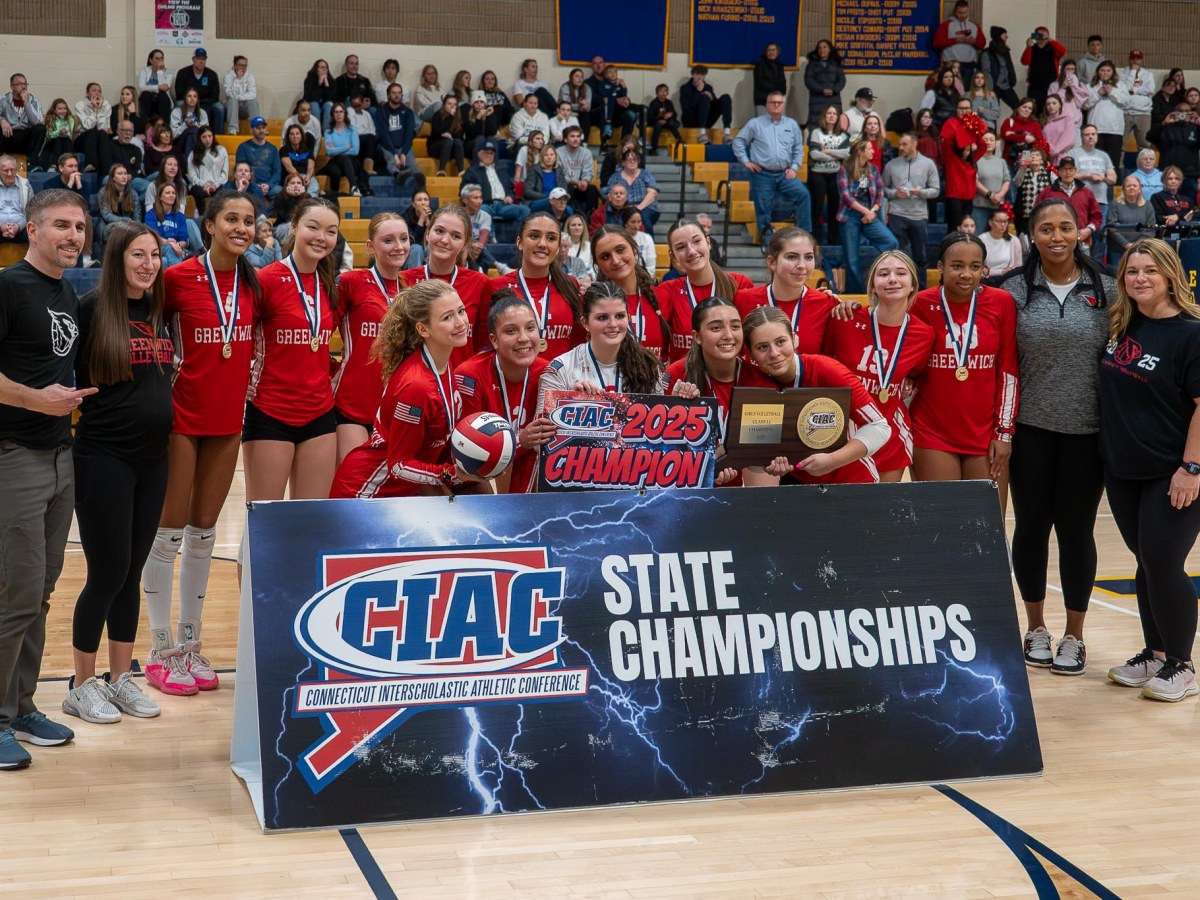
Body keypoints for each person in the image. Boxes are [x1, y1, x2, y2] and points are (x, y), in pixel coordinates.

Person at [140, 191, 259, 696]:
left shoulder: (256, 283)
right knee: (168, 532)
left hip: (228, 421)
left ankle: (190, 643)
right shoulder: (176, 277)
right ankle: (158, 649)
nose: (242, 227)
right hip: (181, 420)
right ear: (208, 225)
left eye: (250, 221)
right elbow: (142, 330)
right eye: (231, 219)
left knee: (205, 533)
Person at [990, 198, 1113, 673]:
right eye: (1046, 228)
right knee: (1032, 527)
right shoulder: (1012, 291)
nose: (1056, 236)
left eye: (1065, 227)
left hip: (1088, 433)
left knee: (1077, 531)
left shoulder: (1106, 289)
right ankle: (1036, 627)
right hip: (1030, 432)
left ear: (1080, 232)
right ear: (1031, 235)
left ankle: (1074, 636)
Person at [0, 189, 93, 768]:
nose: (73, 236)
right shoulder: (7, 286)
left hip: (62, 457)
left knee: (41, 591)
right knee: (15, 591)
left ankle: (23, 704)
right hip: (14, 455)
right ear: (32, 229)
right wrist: (39, 400)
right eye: (61, 225)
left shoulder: (67, 292)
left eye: (80, 227)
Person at [65, 221, 172, 724]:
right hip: (103, 457)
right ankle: (81, 684)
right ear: (116, 259)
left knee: (132, 572)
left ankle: (120, 677)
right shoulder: (88, 312)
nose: (148, 264)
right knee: (106, 572)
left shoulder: (158, 310)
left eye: (154, 255)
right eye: (138, 255)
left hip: (153, 459)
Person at [1101, 238, 1200, 701]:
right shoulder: (1123, 323)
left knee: (1163, 562)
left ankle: (1182, 664)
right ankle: (1155, 654)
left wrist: (1192, 468)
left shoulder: (1190, 333)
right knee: (1145, 562)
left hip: (1173, 470)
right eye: (1131, 271)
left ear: (1169, 276)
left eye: (1150, 271)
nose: (1139, 278)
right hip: (1124, 469)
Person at [329, 278, 485, 498]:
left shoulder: (442, 364)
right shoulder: (417, 386)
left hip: (399, 492)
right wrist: (450, 474)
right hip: (366, 492)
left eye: (461, 311)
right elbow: (398, 466)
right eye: (447, 317)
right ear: (423, 329)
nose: (460, 322)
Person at [242, 197, 340, 517]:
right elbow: (242, 338)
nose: (321, 237)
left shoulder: (331, 286)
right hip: (270, 412)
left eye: (331, 231)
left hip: (320, 415)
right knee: (264, 522)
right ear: (295, 227)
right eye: (313, 227)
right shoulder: (266, 279)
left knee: (309, 522)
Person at [909, 232, 1018, 509]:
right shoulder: (920, 303)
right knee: (941, 528)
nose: (966, 274)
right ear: (941, 267)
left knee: (988, 528)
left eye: (974, 266)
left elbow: (1007, 371)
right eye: (957, 266)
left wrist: (1003, 433)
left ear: (984, 269)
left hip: (985, 434)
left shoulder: (1001, 302)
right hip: (931, 431)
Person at [743, 305, 891, 484]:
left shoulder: (825, 369)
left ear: (793, 339)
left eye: (780, 342)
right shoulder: (755, 386)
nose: (774, 353)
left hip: (853, 480)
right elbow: (757, 454)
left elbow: (880, 427)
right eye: (762, 347)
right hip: (797, 484)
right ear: (750, 353)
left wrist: (832, 461)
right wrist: (768, 463)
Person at [823, 251, 936, 481]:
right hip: (845, 433)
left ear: (913, 284)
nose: (892, 279)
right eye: (883, 274)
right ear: (873, 286)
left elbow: (914, 374)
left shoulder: (924, 334)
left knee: (881, 512)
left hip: (890, 432)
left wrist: (907, 382)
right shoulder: (845, 319)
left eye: (900, 273)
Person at [455, 289, 555, 493]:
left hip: (528, 468)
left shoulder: (549, 372)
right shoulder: (469, 376)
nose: (524, 338)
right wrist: (521, 440)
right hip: (476, 474)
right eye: (511, 331)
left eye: (530, 328)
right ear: (494, 340)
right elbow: (466, 452)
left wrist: (584, 395)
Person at [331, 213, 412, 456]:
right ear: (370, 246)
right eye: (388, 240)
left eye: (404, 239)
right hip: (351, 406)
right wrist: (330, 370)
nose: (398, 247)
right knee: (353, 487)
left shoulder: (412, 288)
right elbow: (320, 330)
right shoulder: (350, 282)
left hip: (395, 408)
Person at [537, 278, 667, 414]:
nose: (612, 324)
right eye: (602, 318)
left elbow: (658, 426)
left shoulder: (649, 366)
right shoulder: (561, 369)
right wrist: (570, 403)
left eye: (619, 316)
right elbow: (542, 431)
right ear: (585, 323)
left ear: (628, 318)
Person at [403, 203, 494, 366]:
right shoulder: (404, 280)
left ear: (465, 244)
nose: (445, 240)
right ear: (428, 233)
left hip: (459, 383)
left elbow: (482, 346)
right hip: (413, 382)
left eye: (456, 236)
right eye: (439, 231)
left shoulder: (480, 283)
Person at [657, 216, 752, 362]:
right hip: (684, 381)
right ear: (673, 256)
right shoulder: (667, 291)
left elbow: (751, 342)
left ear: (708, 243)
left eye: (696, 241)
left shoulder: (739, 284)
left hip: (732, 380)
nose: (691, 251)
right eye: (681, 247)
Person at [491, 211, 583, 358]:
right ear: (519, 242)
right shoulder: (496, 286)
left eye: (551, 238)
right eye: (534, 236)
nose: (542, 244)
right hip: (515, 379)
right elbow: (486, 344)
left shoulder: (571, 285)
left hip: (561, 379)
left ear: (558, 247)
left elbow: (578, 343)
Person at [734, 226, 837, 352]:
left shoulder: (827, 304)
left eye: (808, 257)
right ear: (772, 262)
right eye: (792, 257)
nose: (801, 265)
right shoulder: (742, 300)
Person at [732, 91, 811, 250]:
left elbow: (798, 148)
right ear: (767, 105)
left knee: (803, 194)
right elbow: (738, 142)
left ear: (783, 105)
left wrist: (794, 168)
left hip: (785, 173)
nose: (776, 105)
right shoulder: (755, 124)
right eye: (773, 102)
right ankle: (767, 244)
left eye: (779, 103)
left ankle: (804, 236)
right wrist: (746, 162)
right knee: (763, 207)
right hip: (762, 174)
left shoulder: (792, 125)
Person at [591, 224, 670, 358]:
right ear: (598, 265)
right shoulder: (592, 303)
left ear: (634, 249)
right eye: (605, 257)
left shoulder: (662, 297)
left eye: (620, 250)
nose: (615, 261)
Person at [838, 138, 899, 294]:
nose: (873, 151)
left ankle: (878, 275)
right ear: (860, 152)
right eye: (869, 149)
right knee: (851, 259)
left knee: (891, 242)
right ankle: (856, 294)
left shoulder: (872, 170)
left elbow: (879, 193)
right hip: (851, 214)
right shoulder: (845, 169)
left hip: (870, 213)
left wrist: (873, 210)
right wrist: (866, 212)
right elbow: (846, 196)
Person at [883, 132, 940, 289]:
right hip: (897, 214)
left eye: (904, 144)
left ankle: (920, 291)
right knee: (897, 255)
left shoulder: (928, 164)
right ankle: (898, 288)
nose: (900, 147)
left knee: (920, 257)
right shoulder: (891, 165)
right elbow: (882, 189)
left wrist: (920, 192)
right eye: (900, 144)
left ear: (914, 144)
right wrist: (895, 193)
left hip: (919, 215)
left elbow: (936, 190)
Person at [1034, 156, 1103, 250]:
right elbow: (1036, 216)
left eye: (1070, 169)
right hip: (1055, 243)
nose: (1068, 172)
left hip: (1082, 244)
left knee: (1083, 265)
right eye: (1064, 169)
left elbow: (1097, 216)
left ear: (1075, 171)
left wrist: (1089, 230)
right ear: (1058, 172)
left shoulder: (1086, 192)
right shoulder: (1047, 193)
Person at [806, 105, 850, 243]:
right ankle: (814, 239)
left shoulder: (843, 135)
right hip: (817, 174)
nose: (832, 116)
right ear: (824, 116)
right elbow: (814, 154)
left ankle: (833, 240)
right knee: (817, 206)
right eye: (829, 113)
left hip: (835, 174)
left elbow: (847, 153)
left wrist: (827, 151)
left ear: (838, 117)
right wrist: (835, 156)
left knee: (834, 207)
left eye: (834, 114)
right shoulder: (816, 132)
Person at [460, 139, 529, 222]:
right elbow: (464, 191)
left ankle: (521, 234)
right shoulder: (472, 171)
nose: (489, 155)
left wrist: (510, 196)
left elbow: (511, 189)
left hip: (504, 206)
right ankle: (491, 235)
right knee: (482, 210)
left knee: (524, 210)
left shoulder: (502, 170)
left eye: (491, 153)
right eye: (486, 153)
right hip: (486, 205)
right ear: (479, 154)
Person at [605, 142, 661, 235]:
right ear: (623, 162)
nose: (632, 161)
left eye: (634, 159)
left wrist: (639, 208)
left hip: (646, 207)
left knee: (643, 220)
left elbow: (652, 193)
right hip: (622, 207)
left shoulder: (645, 174)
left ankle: (649, 244)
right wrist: (623, 206)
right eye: (629, 159)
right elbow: (609, 195)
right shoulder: (615, 177)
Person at [1148, 109, 1200, 202]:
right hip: (1168, 174)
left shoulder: (1196, 128)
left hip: (1190, 174)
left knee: (1188, 206)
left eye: (1186, 113)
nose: (1183, 115)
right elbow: (1149, 137)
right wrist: (1164, 123)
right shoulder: (1165, 128)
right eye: (1180, 112)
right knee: (1166, 205)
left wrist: (1199, 123)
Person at [1084, 62, 1127, 169]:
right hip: (1095, 129)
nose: (1105, 73)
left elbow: (1126, 102)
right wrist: (1098, 93)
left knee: (1112, 163)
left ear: (1113, 72)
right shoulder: (1090, 86)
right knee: (1095, 162)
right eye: (1102, 70)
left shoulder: (1120, 85)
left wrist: (1111, 92)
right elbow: (1085, 105)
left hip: (1114, 129)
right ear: (1098, 72)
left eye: (1108, 70)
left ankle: (1112, 184)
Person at [933, 0, 985, 85]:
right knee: (952, 91)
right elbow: (937, 42)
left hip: (969, 65)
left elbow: (982, 44)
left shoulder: (974, 25)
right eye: (959, 12)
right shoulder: (946, 25)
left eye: (964, 12)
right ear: (955, 11)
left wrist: (973, 41)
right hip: (951, 64)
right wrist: (955, 40)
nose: (962, 15)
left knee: (967, 91)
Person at [174, 48, 223, 133]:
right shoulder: (183, 72)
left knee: (220, 108)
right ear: (193, 59)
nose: (201, 61)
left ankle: (217, 134)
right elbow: (179, 93)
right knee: (179, 103)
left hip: (206, 102)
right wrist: (192, 100)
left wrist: (201, 101)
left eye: (203, 59)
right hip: (187, 101)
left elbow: (215, 95)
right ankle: (185, 131)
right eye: (198, 58)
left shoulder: (212, 74)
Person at [321, 103, 365, 196]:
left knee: (344, 158)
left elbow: (355, 151)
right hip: (335, 161)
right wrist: (346, 146)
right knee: (335, 171)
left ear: (345, 114)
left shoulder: (352, 130)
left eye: (341, 112)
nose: (339, 114)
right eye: (336, 112)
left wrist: (336, 150)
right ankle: (340, 192)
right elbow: (329, 151)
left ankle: (353, 187)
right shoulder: (329, 132)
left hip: (352, 163)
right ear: (333, 115)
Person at [145, 183, 192, 268]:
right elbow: (154, 237)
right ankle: (181, 277)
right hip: (156, 248)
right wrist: (169, 243)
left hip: (175, 248)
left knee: (165, 261)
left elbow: (184, 242)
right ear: (160, 197)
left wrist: (176, 244)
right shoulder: (151, 214)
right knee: (169, 248)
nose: (171, 195)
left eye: (173, 193)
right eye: (167, 193)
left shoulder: (180, 216)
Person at [1020, 27, 1066, 114]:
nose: (1040, 36)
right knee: (1034, 110)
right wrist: (1028, 46)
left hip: (1051, 86)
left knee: (1049, 110)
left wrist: (1051, 40)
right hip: (1034, 86)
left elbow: (1063, 51)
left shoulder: (1052, 48)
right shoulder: (1032, 48)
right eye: (1038, 34)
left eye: (1043, 34)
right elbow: (1025, 61)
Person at [680, 66, 732, 141]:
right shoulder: (685, 88)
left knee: (726, 98)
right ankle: (702, 134)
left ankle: (727, 133)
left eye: (702, 74)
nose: (700, 77)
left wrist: (712, 98)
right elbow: (687, 110)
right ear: (693, 74)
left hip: (706, 119)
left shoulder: (708, 87)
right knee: (704, 98)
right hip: (691, 120)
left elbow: (715, 106)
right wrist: (698, 91)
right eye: (697, 74)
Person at [557, 125, 601, 215]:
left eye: (578, 136)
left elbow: (588, 172)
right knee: (567, 188)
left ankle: (591, 215)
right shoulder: (558, 152)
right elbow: (560, 174)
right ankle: (572, 215)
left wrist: (584, 181)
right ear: (565, 139)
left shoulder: (586, 152)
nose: (576, 139)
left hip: (581, 187)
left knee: (592, 189)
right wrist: (575, 182)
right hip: (565, 186)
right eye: (572, 136)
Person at [461, 184, 503, 275]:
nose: (479, 201)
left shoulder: (485, 215)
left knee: (481, 247)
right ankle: (498, 265)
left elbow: (484, 234)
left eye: (480, 198)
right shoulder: (458, 215)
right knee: (465, 248)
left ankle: (477, 271)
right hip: (464, 244)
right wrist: (471, 245)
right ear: (465, 200)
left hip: (478, 247)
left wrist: (477, 247)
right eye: (475, 198)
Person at [1108, 175, 1156, 255]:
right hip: (1118, 248)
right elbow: (1111, 227)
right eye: (1128, 186)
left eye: (1135, 186)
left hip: (1141, 248)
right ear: (1123, 189)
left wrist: (1137, 244)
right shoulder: (1115, 204)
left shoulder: (1148, 205)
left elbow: (1150, 228)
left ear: (1140, 189)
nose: (1132, 188)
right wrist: (1126, 244)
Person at [803, 41, 846, 130]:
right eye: (819, 48)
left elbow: (842, 80)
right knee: (816, 128)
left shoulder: (836, 64)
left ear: (830, 49)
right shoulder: (812, 64)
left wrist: (834, 90)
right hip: (817, 100)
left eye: (824, 47)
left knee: (834, 127)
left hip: (834, 99)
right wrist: (822, 90)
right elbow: (809, 80)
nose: (821, 50)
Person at [1120, 50, 1155, 151]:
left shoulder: (1148, 74)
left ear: (1141, 60)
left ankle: (1144, 166)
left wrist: (1134, 90)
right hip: (1126, 112)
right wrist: (1133, 72)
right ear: (1129, 59)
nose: (1135, 61)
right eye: (1133, 58)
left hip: (1143, 112)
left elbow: (1150, 89)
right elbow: (1125, 88)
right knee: (1121, 142)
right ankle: (1119, 166)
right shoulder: (1122, 73)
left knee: (1144, 143)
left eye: (1138, 59)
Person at [980, 27, 1019, 112]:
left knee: (1018, 108)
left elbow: (1009, 68)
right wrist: (990, 89)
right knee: (992, 111)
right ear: (999, 36)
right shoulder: (987, 53)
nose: (1007, 37)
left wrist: (1012, 80)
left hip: (1006, 86)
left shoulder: (1005, 52)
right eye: (1004, 35)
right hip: (994, 87)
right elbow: (986, 72)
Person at [98, 163, 141, 239]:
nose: (124, 176)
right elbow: (106, 215)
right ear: (113, 177)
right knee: (118, 230)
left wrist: (136, 226)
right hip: (109, 225)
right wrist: (126, 220)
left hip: (129, 225)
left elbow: (137, 215)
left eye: (125, 173)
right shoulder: (104, 192)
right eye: (120, 174)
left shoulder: (133, 193)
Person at [427, 94, 465, 177]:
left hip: (451, 148)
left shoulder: (459, 118)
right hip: (436, 147)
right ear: (444, 105)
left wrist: (450, 135)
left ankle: (461, 171)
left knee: (457, 142)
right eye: (449, 104)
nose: (452, 106)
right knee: (448, 142)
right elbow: (437, 131)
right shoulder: (437, 115)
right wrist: (450, 117)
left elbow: (459, 135)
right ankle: (441, 170)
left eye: (454, 104)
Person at [1000, 97, 1044, 168]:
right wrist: (1025, 137)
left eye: (1030, 108)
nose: (1027, 110)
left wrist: (1014, 135)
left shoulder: (1035, 124)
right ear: (1018, 108)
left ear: (1032, 111)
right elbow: (1006, 136)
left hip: (1027, 160)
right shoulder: (1009, 121)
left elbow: (1039, 141)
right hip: (1010, 160)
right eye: (1024, 107)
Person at [278, 124, 318, 198]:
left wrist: (308, 177)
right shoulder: (284, 150)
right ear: (288, 137)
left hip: (306, 177)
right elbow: (289, 167)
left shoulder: (307, 150)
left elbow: (310, 167)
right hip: (291, 176)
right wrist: (300, 178)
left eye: (297, 133)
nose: (295, 136)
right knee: (296, 182)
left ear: (301, 136)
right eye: (292, 134)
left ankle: (311, 202)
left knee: (313, 182)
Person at [979, 206, 1022, 273]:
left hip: (1007, 278)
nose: (1002, 224)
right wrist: (1000, 272)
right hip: (986, 278)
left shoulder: (1014, 240)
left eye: (1005, 221)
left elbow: (1018, 266)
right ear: (990, 222)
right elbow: (978, 268)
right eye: (999, 221)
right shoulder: (981, 239)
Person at [169, 88, 207, 160]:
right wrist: (185, 125)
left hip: (198, 142)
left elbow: (206, 133)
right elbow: (172, 135)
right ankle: (193, 164)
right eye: (189, 96)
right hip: (179, 143)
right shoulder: (176, 112)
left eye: (195, 96)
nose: (192, 98)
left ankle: (188, 164)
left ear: (198, 99)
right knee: (193, 130)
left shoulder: (202, 113)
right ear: (185, 98)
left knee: (192, 134)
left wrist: (194, 125)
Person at [0, 154, 30, 244]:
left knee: (37, 234)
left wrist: (18, 226)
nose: (10, 174)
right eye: (6, 170)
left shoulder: (26, 185)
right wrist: (1, 226)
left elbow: (32, 211)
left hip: (22, 227)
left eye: (12, 170)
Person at [462, 90, 500, 159]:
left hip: (486, 145)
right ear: (472, 104)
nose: (479, 105)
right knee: (480, 138)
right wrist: (478, 119)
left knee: (492, 139)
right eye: (476, 102)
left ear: (485, 104)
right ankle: (477, 166)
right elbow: (471, 135)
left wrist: (489, 117)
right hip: (470, 146)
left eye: (482, 102)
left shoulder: (490, 114)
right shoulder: (467, 114)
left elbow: (492, 132)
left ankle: (493, 166)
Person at [136, 50, 173, 121]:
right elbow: (141, 87)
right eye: (157, 58)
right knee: (145, 94)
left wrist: (159, 71)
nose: (160, 60)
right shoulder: (144, 71)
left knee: (162, 95)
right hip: (147, 100)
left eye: (162, 58)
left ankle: (165, 128)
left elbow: (165, 88)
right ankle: (142, 127)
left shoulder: (169, 73)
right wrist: (158, 87)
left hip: (162, 100)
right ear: (151, 60)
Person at [647, 85, 683, 154]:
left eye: (665, 91)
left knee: (673, 123)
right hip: (657, 122)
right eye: (661, 91)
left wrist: (671, 114)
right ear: (657, 93)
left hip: (667, 122)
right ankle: (654, 148)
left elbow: (675, 115)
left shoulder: (669, 102)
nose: (663, 92)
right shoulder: (654, 103)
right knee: (657, 126)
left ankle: (679, 141)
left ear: (667, 93)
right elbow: (650, 117)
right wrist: (658, 120)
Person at [303, 59, 338, 131]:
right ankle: (317, 131)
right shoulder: (310, 79)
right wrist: (319, 84)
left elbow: (332, 99)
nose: (324, 70)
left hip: (324, 106)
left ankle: (326, 132)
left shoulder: (331, 81)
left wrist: (327, 85)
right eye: (321, 67)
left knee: (329, 104)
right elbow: (311, 97)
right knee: (314, 104)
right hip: (313, 104)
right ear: (316, 69)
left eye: (325, 67)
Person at [754, 43, 787, 117]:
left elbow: (783, 83)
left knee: (780, 124)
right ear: (765, 52)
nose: (771, 52)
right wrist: (775, 89)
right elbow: (760, 83)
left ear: (777, 52)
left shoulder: (780, 65)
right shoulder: (760, 65)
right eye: (769, 50)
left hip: (778, 100)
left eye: (773, 50)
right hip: (763, 100)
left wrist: (780, 91)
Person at [1040, 95, 1074, 165]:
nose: (1051, 106)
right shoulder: (1043, 121)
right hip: (1047, 160)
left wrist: (1054, 152)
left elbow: (1069, 140)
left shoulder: (1067, 119)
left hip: (1063, 159)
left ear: (1060, 105)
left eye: (1054, 103)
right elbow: (1042, 140)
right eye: (1048, 104)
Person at [558, 69, 591, 138]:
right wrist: (581, 105)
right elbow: (566, 105)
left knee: (586, 115)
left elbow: (588, 107)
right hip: (566, 112)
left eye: (581, 77)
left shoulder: (587, 88)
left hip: (581, 113)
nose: (580, 79)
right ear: (571, 77)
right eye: (577, 76)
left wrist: (585, 106)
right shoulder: (565, 87)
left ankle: (584, 142)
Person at [402, 190, 432, 259]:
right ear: (413, 204)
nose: (423, 203)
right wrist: (421, 220)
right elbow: (413, 241)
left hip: (426, 249)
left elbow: (432, 239)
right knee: (417, 249)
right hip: (411, 252)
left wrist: (427, 219)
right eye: (419, 200)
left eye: (426, 199)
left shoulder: (433, 216)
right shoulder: (405, 217)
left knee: (431, 248)